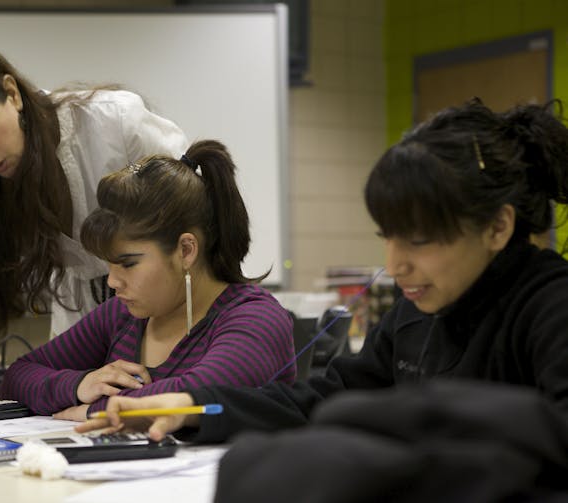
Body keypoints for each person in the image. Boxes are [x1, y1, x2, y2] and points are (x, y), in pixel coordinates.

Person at [76, 99, 568, 498]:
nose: (395, 266)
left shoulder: (551, 307)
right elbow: (322, 399)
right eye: (388, 237)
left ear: (498, 227)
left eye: (419, 241)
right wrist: (195, 406)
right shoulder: (417, 314)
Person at [0, 35, 188, 378]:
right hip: (83, 330)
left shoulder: (114, 123)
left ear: (11, 93)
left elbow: (199, 216)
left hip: (172, 315)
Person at [0, 140, 296, 419]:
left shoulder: (256, 319)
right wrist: (79, 385)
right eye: (109, 265)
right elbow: (17, 377)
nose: (113, 282)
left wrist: (93, 410)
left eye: (128, 264)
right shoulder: (121, 315)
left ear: (186, 250)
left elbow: (197, 395)